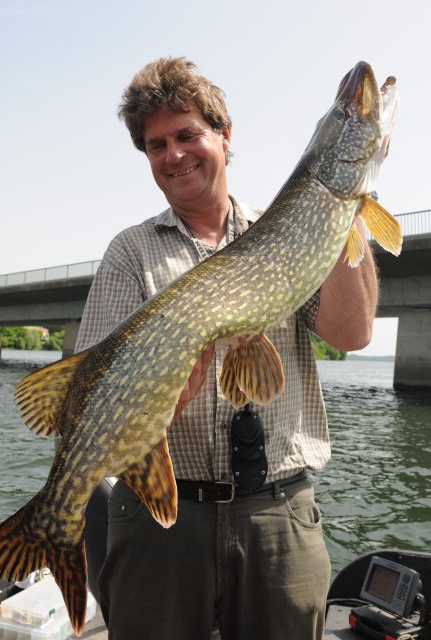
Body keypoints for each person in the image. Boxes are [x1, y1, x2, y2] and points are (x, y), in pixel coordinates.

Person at [75, 57, 378, 640]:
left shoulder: (287, 229)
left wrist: (350, 211)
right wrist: (167, 395)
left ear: (224, 135)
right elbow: (97, 409)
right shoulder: (130, 252)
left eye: (187, 135)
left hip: (278, 512)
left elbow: (353, 333)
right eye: (157, 144)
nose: (173, 155)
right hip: (160, 520)